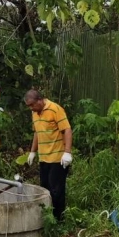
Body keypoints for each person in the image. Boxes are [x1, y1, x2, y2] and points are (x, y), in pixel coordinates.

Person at [24, 89, 73, 223]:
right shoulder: (35, 113)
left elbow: (67, 129)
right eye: (29, 106)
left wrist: (67, 152)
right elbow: (37, 133)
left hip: (58, 158)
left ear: (40, 100)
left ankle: (58, 220)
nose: (31, 108)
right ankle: (47, 219)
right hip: (44, 158)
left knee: (56, 191)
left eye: (32, 105)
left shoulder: (55, 109)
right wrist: (33, 151)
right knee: (44, 188)